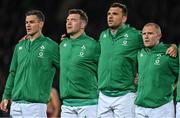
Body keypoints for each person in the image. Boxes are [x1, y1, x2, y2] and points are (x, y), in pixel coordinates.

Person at [97, 2, 177, 118]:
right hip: (103, 94)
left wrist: (173, 46)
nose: (110, 16)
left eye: (115, 14)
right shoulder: (103, 35)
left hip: (125, 94)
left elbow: (154, 41)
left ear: (124, 18)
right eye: (109, 13)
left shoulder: (135, 35)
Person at [0, 10, 59, 117]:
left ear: (41, 24)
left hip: (36, 105)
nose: (28, 25)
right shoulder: (19, 47)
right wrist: (6, 96)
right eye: (26, 22)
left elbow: (65, 67)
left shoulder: (50, 46)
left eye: (31, 22)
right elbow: (13, 73)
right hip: (16, 104)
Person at [59, 9, 100, 118]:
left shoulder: (93, 45)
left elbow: (106, 66)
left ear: (82, 24)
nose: (68, 22)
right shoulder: (63, 45)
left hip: (88, 105)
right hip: (67, 105)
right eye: (67, 20)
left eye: (73, 20)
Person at [135, 22, 178, 118]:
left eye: (150, 33)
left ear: (159, 36)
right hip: (140, 107)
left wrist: (172, 87)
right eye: (144, 33)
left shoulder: (169, 54)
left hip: (161, 107)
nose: (146, 36)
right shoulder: (140, 53)